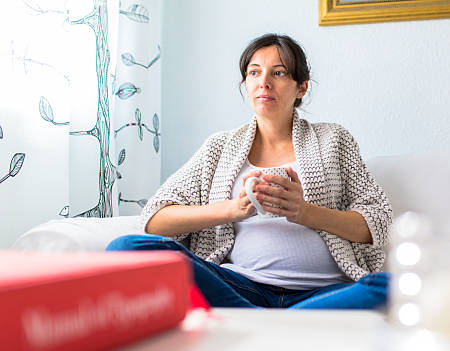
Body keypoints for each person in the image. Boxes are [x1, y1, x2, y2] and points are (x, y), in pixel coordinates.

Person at [107, 33, 392, 309]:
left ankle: (266, 325)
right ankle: (287, 325)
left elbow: (378, 221)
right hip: (240, 287)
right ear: (246, 83)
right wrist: (234, 209)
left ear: (301, 87)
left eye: (278, 73)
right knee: (127, 247)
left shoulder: (333, 140)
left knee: (392, 286)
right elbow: (154, 220)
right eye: (254, 73)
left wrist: (303, 212)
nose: (264, 83)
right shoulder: (219, 148)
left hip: (324, 292)